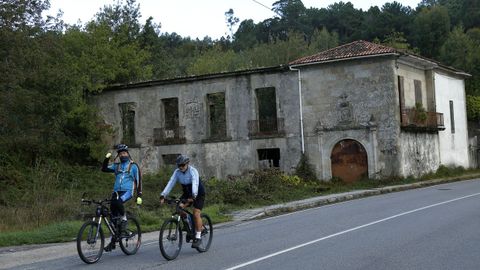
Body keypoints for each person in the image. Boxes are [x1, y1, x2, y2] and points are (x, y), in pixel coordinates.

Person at [101, 144, 142, 252]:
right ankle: (114, 240)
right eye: (120, 153)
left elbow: (138, 181)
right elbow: (104, 169)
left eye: (124, 153)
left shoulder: (133, 166)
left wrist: (139, 196)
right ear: (118, 155)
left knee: (118, 203)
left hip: (127, 191)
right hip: (116, 191)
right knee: (112, 215)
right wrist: (106, 158)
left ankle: (124, 220)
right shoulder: (116, 166)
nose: (123, 155)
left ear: (128, 153)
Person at [160, 154, 206, 248]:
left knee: (196, 213)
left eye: (183, 165)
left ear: (187, 164)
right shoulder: (177, 172)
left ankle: (198, 236)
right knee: (179, 208)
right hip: (187, 193)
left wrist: (193, 196)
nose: (181, 167)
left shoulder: (193, 171)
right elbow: (171, 182)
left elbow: (195, 183)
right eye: (179, 165)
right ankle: (189, 228)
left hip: (198, 193)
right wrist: (163, 195)